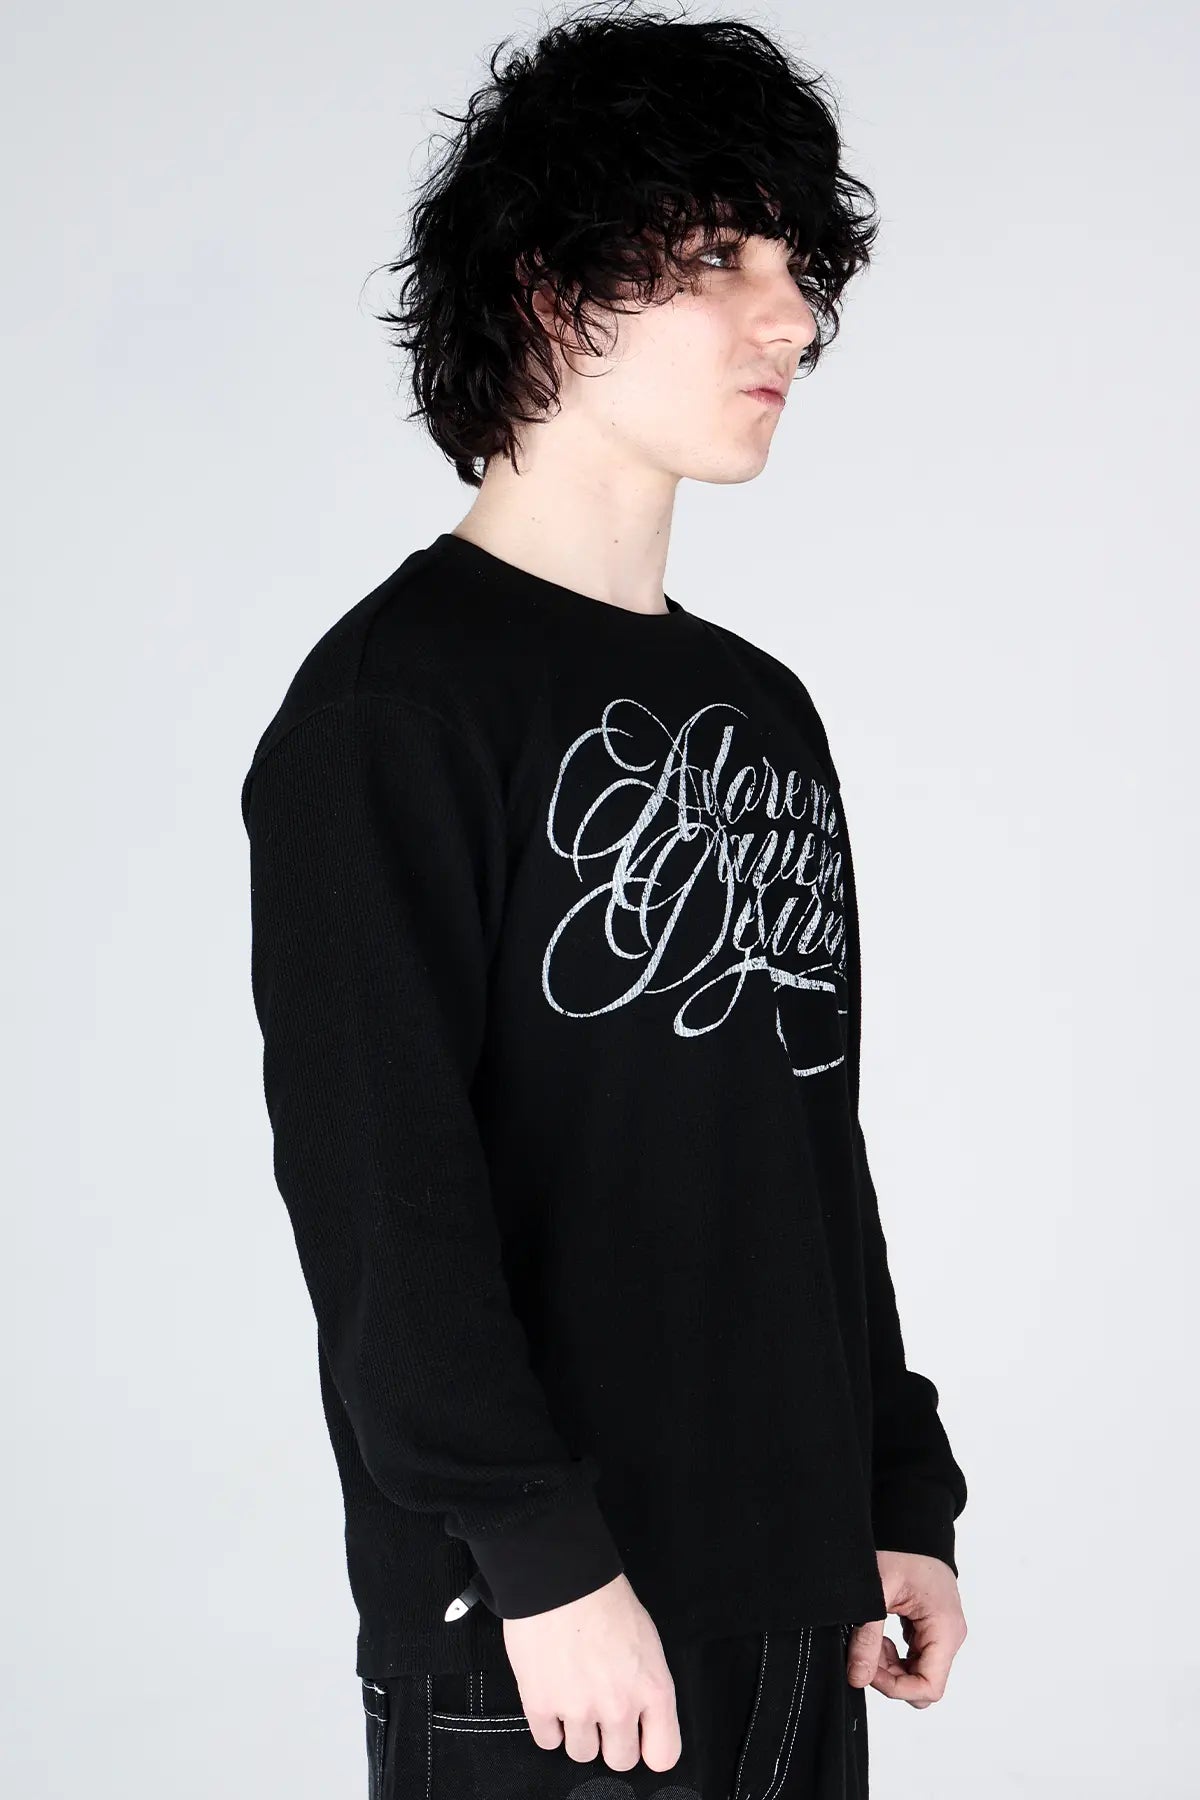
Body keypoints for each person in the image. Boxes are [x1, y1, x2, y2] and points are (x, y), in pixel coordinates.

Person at [239, 5, 969, 1795]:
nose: (788, 318)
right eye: (718, 258)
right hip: (547, 1638)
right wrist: (532, 1549)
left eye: (795, 269)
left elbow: (809, 1142)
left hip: (799, 1606)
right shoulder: (387, 711)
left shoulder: (764, 712)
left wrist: (896, 1486)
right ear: (552, 290)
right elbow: (378, 1191)